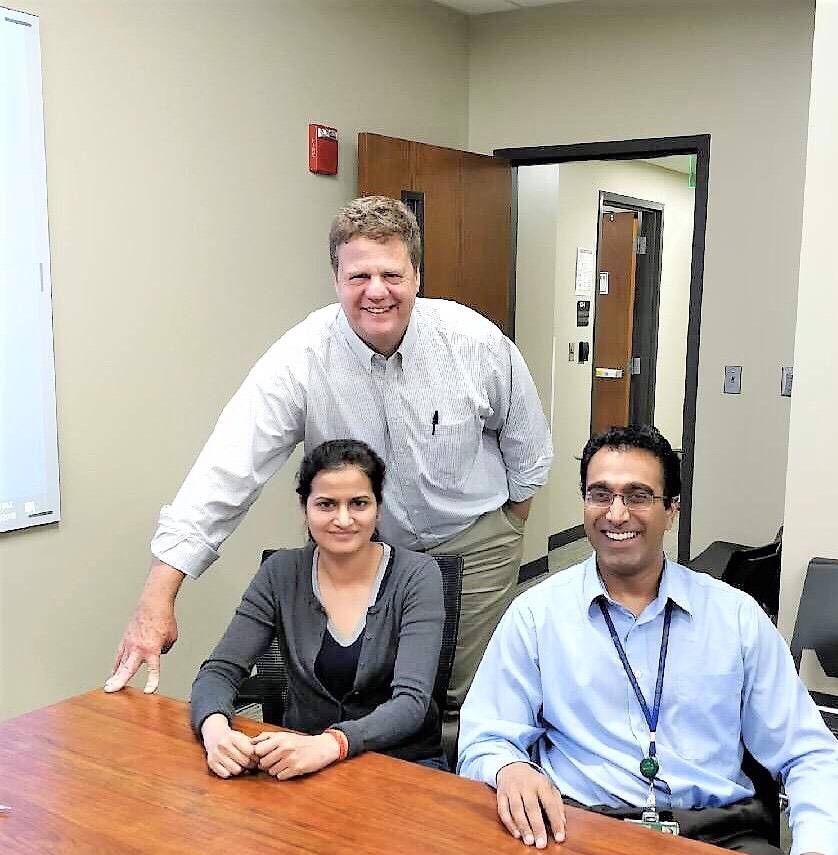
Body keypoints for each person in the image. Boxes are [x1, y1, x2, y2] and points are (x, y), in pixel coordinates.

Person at [107, 196, 553, 741]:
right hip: (364, 552)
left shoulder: (474, 343)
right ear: (336, 278)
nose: (376, 291)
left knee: (471, 706)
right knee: (375, 698)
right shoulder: (300, 359)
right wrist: (159, 594)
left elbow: (527, 448)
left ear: (416, 273)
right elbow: (226, 471)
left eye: (392, 273)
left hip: (473, 542)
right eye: (358, 275)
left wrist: (506, 528)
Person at [457, 425, 838, 855]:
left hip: (717, 838)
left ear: (671, 512)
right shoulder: (536, 615)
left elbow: (809, 755)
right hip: (579, 832)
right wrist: (510, 768)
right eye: (600, 494)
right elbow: (484, 736)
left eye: (638, 496)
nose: (616, 513)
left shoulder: (736, 619)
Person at [191, 439, 446, 779]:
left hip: (402, 765)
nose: (343, 519)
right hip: (302, 766)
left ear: (378, 509)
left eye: (358, 503)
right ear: (305, 508)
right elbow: (219, 671)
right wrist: (216, 731)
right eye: (326, 504)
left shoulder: (417, 575)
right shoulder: (281, 572)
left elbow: (412, 703)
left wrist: (332, 744)